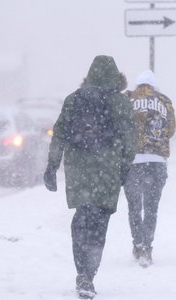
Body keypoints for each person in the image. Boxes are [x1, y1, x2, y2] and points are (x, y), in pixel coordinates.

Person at [43, 55, 136, 299]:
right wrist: (125, 168)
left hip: (78, 170)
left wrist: (52, 166)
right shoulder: (121, 103)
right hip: (107, 172)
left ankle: (81, 272)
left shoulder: (73, 100)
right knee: (99, 224)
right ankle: (89, 275)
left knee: (82, 218)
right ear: (115, 76)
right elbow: (129, 140)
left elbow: (59, 134)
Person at [123, 70, 176, 268]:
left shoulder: (128, 100)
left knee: (134, 207)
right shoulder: (164, 101)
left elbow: (120, 126)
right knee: (151, 208)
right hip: (157, 161)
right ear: (154, 86)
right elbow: (170, 130)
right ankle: (148, 248)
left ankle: (137, 246)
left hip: (133, 161)